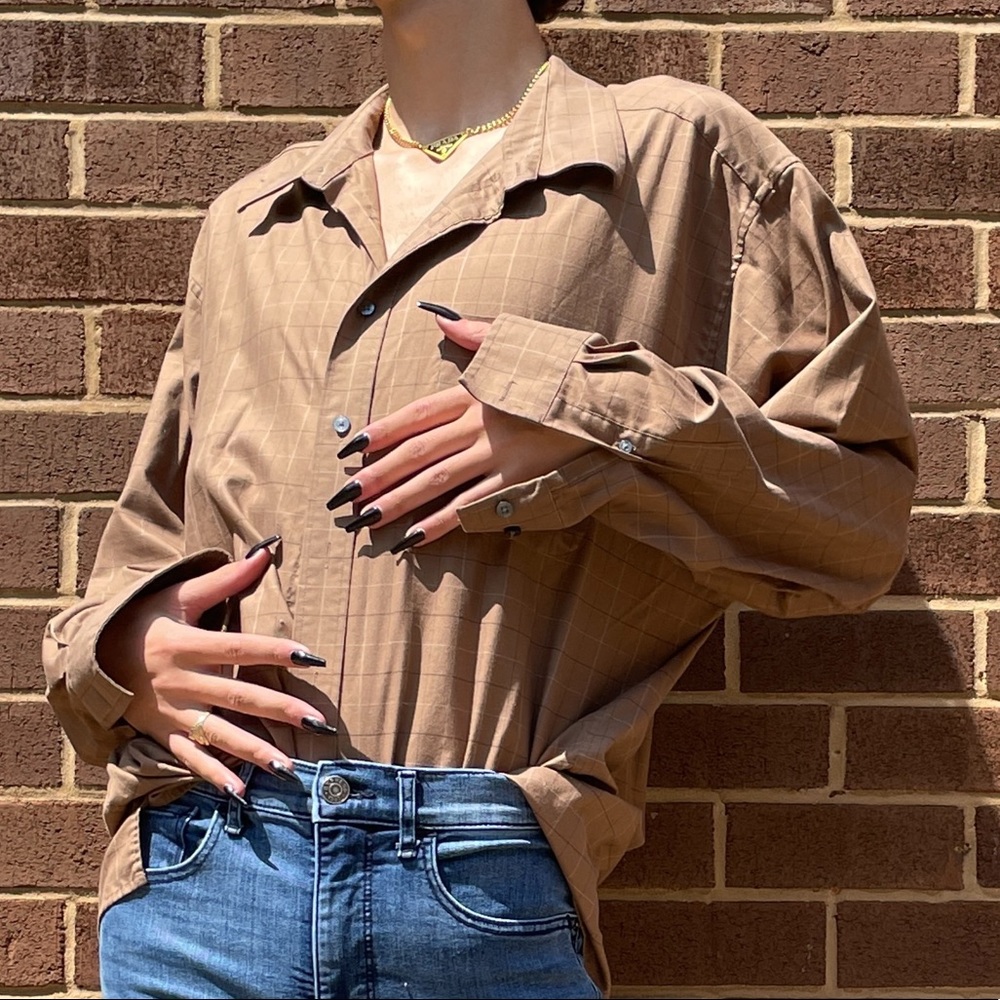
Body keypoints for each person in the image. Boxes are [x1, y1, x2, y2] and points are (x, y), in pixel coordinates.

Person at [42, 0, 918, 997]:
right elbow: (144, 543)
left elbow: (855, 512)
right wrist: (124, 651)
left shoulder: (678, 160)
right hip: (204, 871)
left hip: (477, 891)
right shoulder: (253, 221)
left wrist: (586, 412)